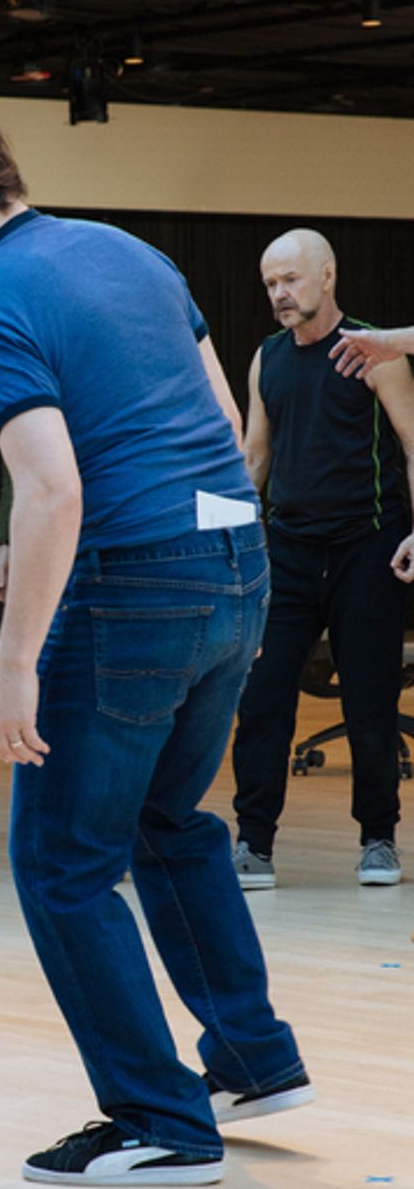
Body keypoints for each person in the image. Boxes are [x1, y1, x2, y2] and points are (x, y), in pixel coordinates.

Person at [0, 101, 308, 1187]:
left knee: (60, 863)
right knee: (168, 820)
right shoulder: (128, 250)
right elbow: (216, 418)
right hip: (231, 561)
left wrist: (10, 666)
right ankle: (251, 1059)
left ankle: (161, 1121)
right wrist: (219, 585)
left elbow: (52, 488)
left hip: (132, 584)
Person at [230, 231, 414, 890]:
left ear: (327, 276)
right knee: (261, 698)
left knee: (370, 699)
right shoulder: (267, 358)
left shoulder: (376, 350)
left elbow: (412, 443)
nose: (280, 293)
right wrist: (217, 536)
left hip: (369, 546)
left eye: (291, 279)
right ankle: (253, 841)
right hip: (289, 552)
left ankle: (378, 840)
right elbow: (254, 459)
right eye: (270, 282)